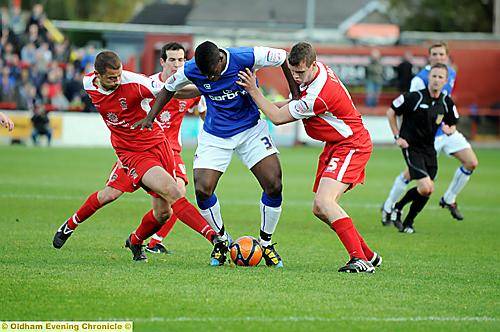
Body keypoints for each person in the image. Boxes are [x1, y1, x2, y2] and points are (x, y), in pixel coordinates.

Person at [134, 41, 300, 267]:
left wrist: (296, 93)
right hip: (215, 134)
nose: (209, 79)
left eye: (212, 74)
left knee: (274, 184)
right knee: (202, 189)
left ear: (221, 61)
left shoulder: (246, 56)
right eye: (205, 76)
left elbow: (282, 57)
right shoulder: (192, 69)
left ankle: (266, 244)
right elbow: (168, 89)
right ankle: (221, 241)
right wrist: (151, 117)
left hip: (250, 129)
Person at [52, 50, 227, 263]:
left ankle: (135, 240)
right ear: (97, 75)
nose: (117, 80)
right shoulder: (87, 83)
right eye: (111, 78)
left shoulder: (135, 83)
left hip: (158, 144)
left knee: (164, 213)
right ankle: (214, 238)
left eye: (119, 75)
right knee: (153, 193)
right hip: (131, 153)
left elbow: (171, 91)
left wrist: (207, 88)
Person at [237, 42, 381, 274]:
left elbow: (277, 117)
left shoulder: (319, 95)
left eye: (300, 72)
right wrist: (259, 103)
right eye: (292, 72)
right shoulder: (315, 74)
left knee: (326, 203)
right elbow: (288, 104)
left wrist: (254, 92)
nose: (295, 77)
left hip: (351, 144)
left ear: (313, 65)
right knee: (320, 208)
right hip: (337, 145)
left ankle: (359, 260)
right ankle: (367, 255)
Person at [382, 42, 478, 223]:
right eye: (434, 54)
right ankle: (389, 206)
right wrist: (402, 135)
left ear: (447, 56)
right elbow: (409, 107)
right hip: (423, 138)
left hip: (442, 132)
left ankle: (449, 198)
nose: (438, 57)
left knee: (471, 162)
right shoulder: (420, 80)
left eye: (441, 54)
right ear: (429, 57)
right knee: (410, 175)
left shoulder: (451, 73)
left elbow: (446, 102)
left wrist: (451, 125)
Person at [387, 63, 459, 233]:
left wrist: (450, 130)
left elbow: (453, 123)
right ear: (429, 78)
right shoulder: (413, 97)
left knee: (425, 191)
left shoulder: (446, 101)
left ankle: (406, 220)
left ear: (446, 81)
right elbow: (391, 111)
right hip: (411, 147)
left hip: (429, 149)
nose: (436, 80)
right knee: (427, 187)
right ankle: (397, 209)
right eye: (433, 76)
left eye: (440, 77)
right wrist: (397, 136)